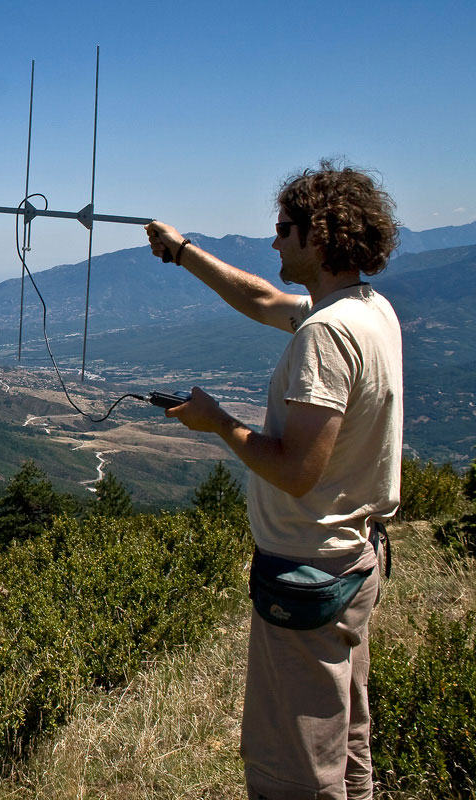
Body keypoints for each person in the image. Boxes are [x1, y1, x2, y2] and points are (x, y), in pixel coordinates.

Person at [145, 160, 402, 800]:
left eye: (285, 228)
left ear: (322, 236)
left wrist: (218, 423)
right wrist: (181, 252)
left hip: (308, 569)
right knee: (344, 745)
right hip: (353, 559)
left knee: (294, 767)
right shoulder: (367, 310)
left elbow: (295, 469)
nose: (274, 239)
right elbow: (260, 299)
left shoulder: (326, 335)